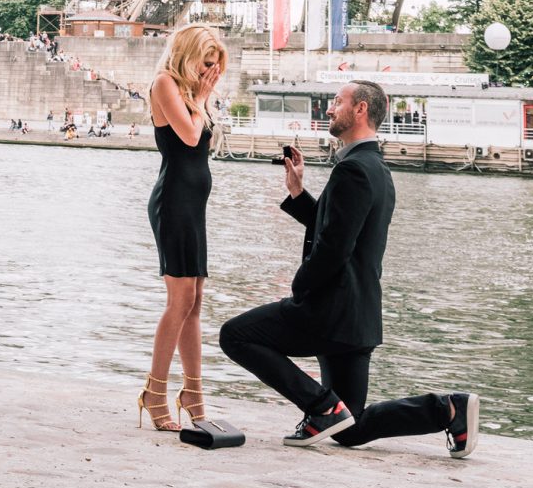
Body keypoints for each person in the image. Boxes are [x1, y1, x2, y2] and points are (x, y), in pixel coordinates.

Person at [219, 80, 479, 458]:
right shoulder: (375, 168)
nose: (328, 109)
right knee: (349, 427)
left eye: (337, 102)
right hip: (356, 318)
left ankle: (321, 406)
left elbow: (334, 248)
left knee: (235, 336)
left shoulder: (353, 170)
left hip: (330, 312)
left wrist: (300, 288)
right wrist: (298, 194)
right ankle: (448, 409)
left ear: (359, 109)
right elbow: (341, 233)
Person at [138, 24, 228, 433]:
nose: (210, 71)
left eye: (215, 65)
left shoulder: (190, 93)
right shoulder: (164, 84)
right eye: (206, 63)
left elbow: (203, 148)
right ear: (188, 56)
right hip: (173, 202)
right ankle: (154, 393)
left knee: (195, 300)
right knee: (179, 300)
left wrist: (202, 97)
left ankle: (193, 391)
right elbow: (190, 139)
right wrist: (203, 98)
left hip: (194, 205)